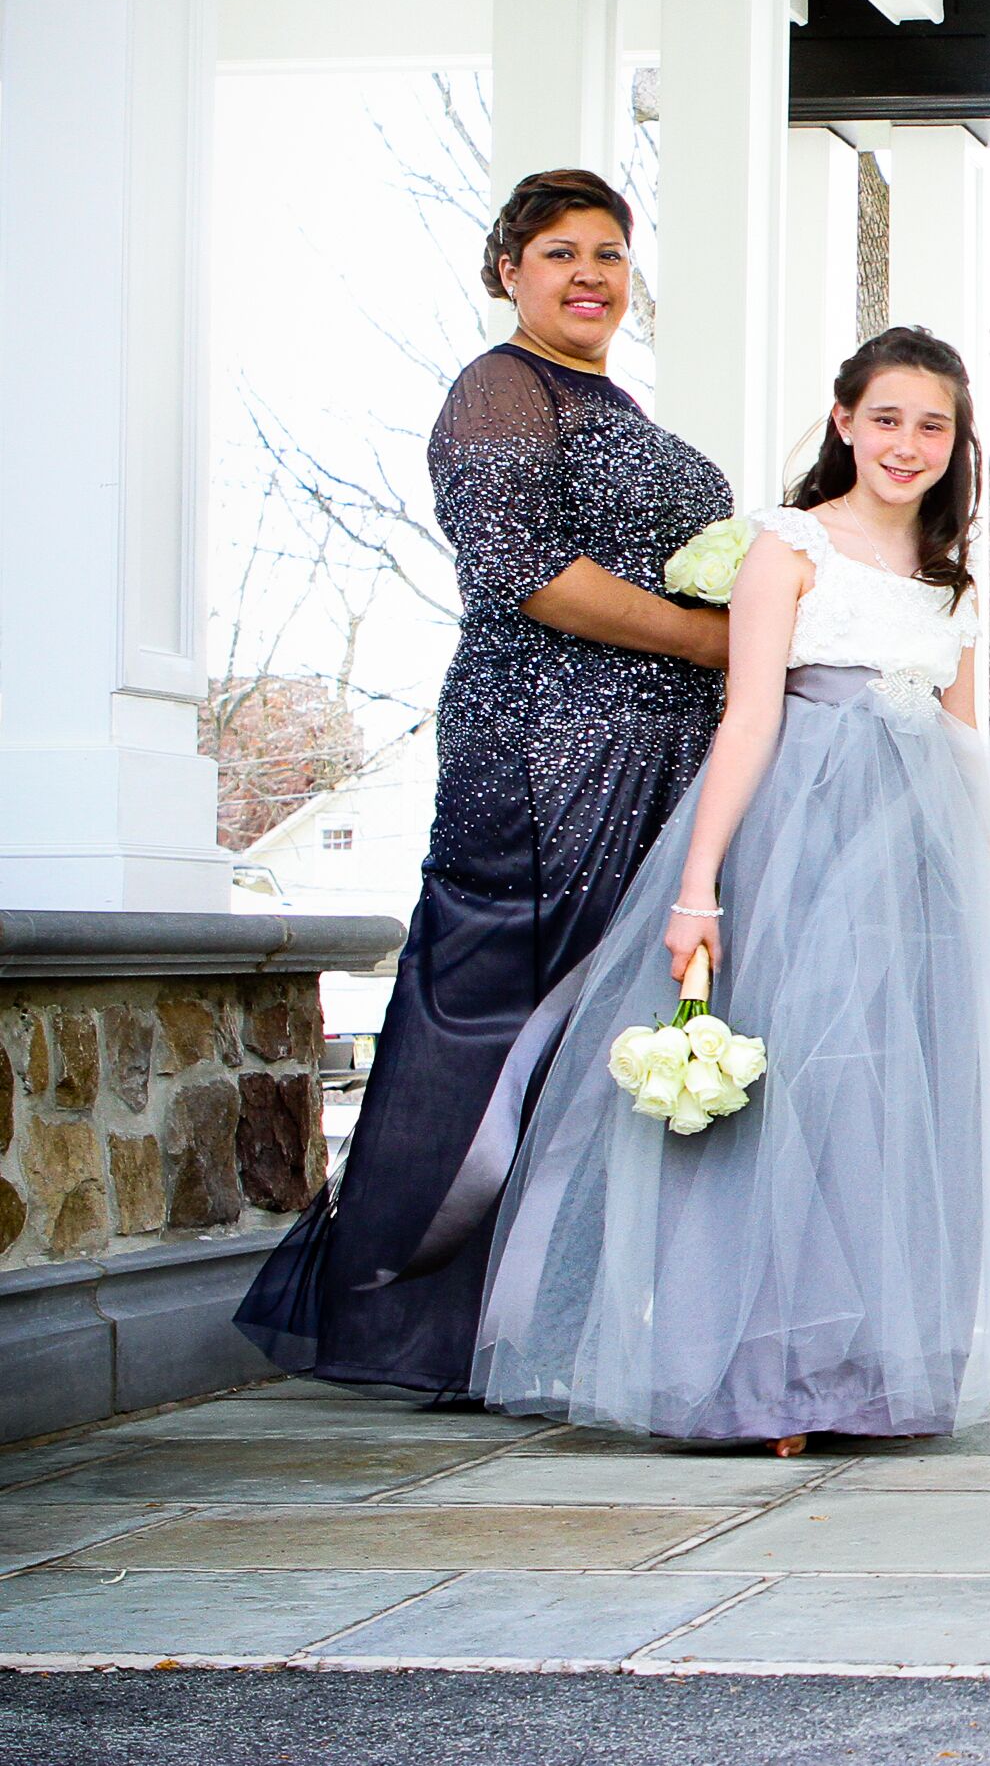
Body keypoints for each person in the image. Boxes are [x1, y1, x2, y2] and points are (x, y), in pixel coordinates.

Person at [472, 328, 990, 1449]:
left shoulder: (952, 580)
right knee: (797, 1100)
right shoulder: (790, 546)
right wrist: (698, 887)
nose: (907, 442)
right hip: (804, 840)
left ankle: (878, 1370)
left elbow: (965, 739)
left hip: (915, 860)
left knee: (899, 1106)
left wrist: (982, 891)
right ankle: (766, 1381)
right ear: (843, 421)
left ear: (957, 442)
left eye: (931, 424)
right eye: (885, 417)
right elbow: (747, 717)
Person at [238, 171, 732, 1395]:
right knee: (488, 1023)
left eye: (610, 253)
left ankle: (548, 1322)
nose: (588, 274)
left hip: (648, 757)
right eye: (558, 250)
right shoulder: (498, 388)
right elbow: (526, 571)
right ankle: (411, 1331)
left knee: (586, 1034)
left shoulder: (611, 403)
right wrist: (710, 639)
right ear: (506, 270)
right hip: (538, 753)